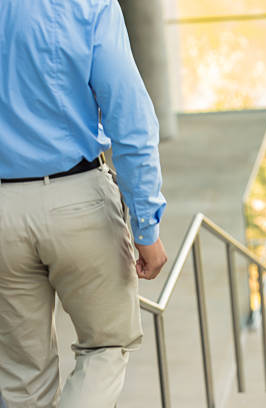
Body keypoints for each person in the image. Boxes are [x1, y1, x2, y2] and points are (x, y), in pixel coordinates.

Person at [0, 1, 168, 407]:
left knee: (21, 374)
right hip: (78, 199)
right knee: (106, 347)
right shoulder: (90, 4)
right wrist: (146, 224)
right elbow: (129, 119)